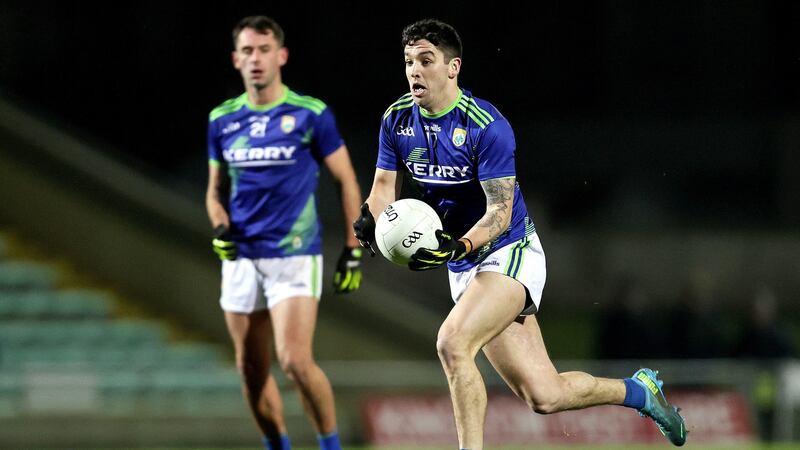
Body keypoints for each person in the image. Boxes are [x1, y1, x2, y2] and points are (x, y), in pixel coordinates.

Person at [353, 18, 686, 449]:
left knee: (452, 344)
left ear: (453, 67)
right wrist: (370, 218)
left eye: (426, 61)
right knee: (545, 396)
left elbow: (498, 212)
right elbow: (384, 189)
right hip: (465, 265)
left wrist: (460, 244)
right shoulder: (396, 119)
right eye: (408, 61)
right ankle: (640, 392)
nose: (415, 70)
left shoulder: (486, 126)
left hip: (509, 250)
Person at [206, 15, 362, 450]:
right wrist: (220, 227)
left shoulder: (311, 114)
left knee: (293, 360)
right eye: (248, 51)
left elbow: (346, 180)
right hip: (241, 259)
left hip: (294, 254)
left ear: (282, 55)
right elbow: (214, 193)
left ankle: (330, 446)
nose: (256, 59)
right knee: (250, 371)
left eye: (264, 50)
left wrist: (352, 249)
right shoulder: (222, 120)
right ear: (236, 59)